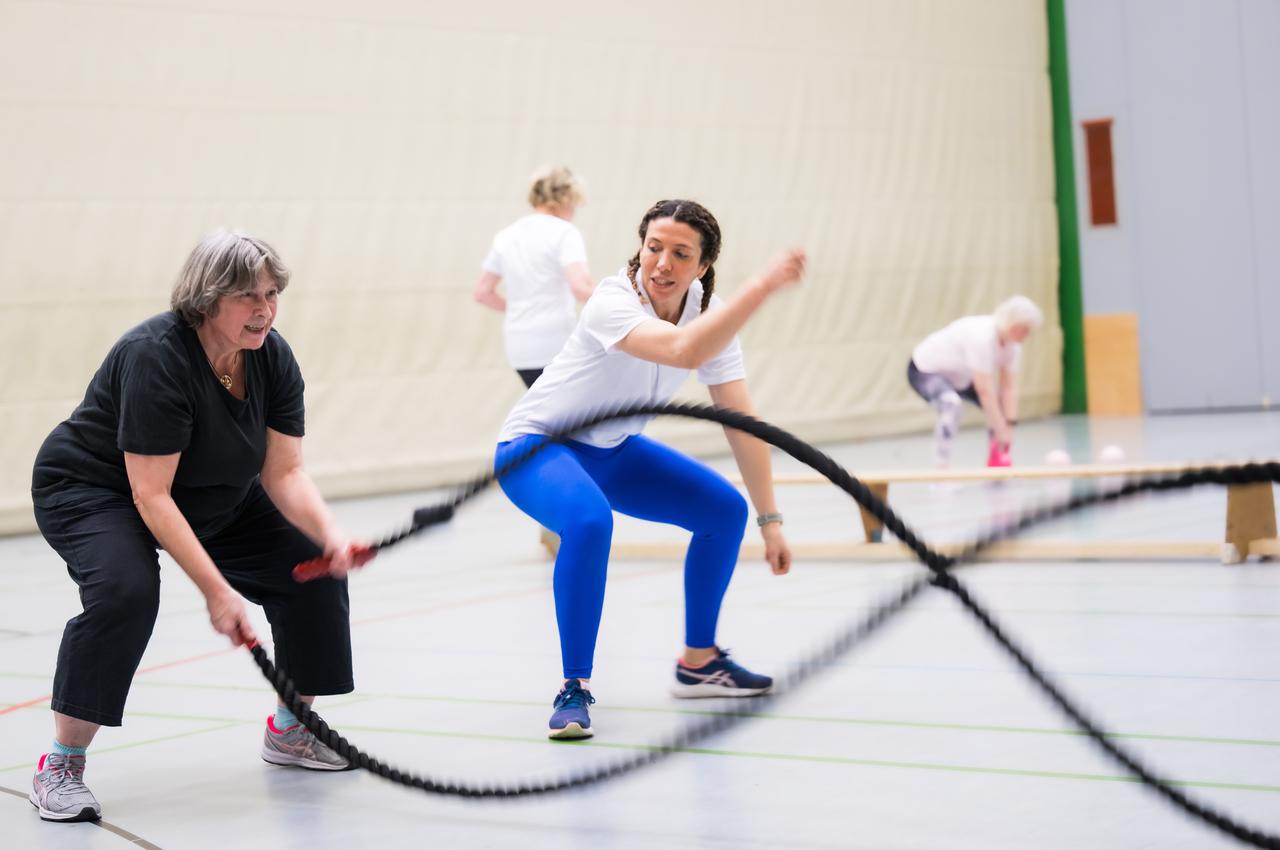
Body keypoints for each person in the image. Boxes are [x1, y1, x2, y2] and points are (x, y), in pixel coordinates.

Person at [28, 230, 365, 823]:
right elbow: (150, 494)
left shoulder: (271, 356)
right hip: (96, 490)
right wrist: (217, 592)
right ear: (208, 299)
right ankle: (61, 764)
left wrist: (331, 535)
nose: (264, 310)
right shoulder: (155, 356)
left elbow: (285, 472)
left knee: (312, 568)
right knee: (126, 592)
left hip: (210, 490)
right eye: (247, 296)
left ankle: (291, 729)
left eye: (271, 294)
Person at [494, 199, 805, 740]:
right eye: (653, 248)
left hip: (613, 451)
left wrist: (770, 519)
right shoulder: (612, 300)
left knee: (724, 511)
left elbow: (742, 420)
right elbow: (683, 351)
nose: (661, 263)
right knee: (589, 523)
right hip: (536, 447)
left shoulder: (709, 314)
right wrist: (764, 285)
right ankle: (574, 686)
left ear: (703, 265)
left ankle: (699, 662)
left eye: (680, 254)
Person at [475, 165, 595, 389]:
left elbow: (482, 293)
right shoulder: (565, 233)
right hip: (557, 345)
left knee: (547, 407)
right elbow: (581, 289)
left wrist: (520, 307)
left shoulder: (506, 236)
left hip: (520, 350)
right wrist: (623, 301)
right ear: (567, 198)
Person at [907, 296, 1044, 468]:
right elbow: (984, 390)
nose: (1027, 336)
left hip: (960, 377)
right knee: (952, 404)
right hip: (925, 370)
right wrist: (1000, 428)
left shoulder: (1014, 346)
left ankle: (997, 460)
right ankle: (941, 468)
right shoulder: (982, 336)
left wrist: (1009, 426)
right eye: (1025, 330)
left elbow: (1008, 387)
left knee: (999, 409)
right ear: (1014, 325)